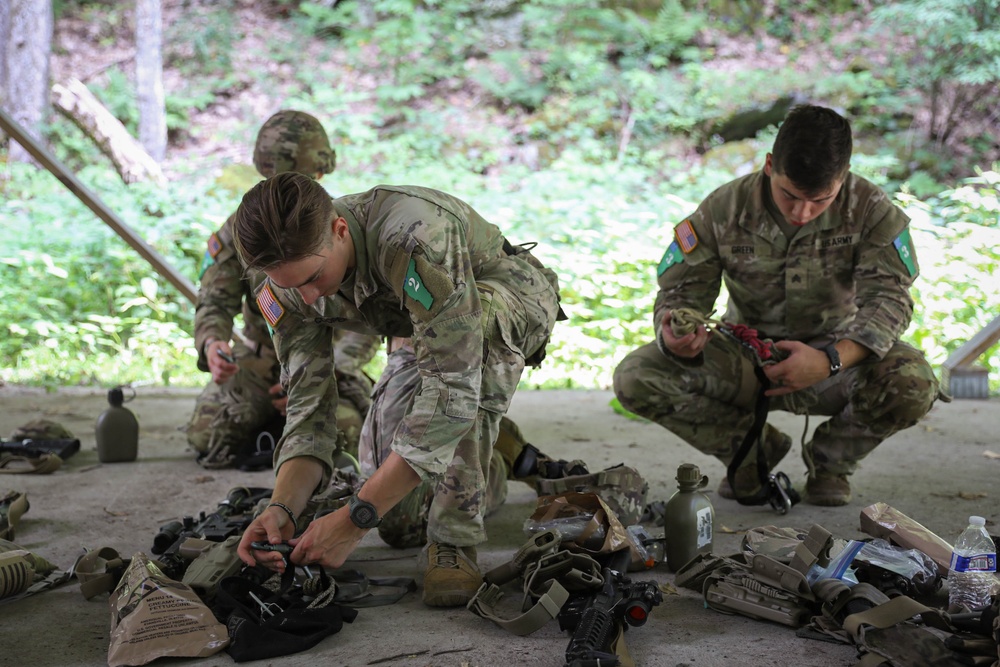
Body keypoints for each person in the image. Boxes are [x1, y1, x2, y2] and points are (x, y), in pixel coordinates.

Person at [230, 174, 563, 607]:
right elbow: (307, 411)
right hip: (422, 327)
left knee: (464, 371)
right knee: (399, 520)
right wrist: (281, 509)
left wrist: (353, 520)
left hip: (505, 298)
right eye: (293, 288)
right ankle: (500, 454)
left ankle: (455, 540)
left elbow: (453, 384)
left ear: (340, 231)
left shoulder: (415, 237)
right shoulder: (281, 284)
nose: (309, 299)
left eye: (314, 277)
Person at [613, 104, 942, 507]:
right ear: (770, 165)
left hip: (837, 361)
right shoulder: (724, 208)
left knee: (914, 382)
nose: (802, 212)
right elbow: (681, 292)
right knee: (636, 376)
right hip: (746, 359)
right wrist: (677, 332)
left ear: (844, 177)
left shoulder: (870, 209)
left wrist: (830, 361)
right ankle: (752, 452)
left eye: (821, 200)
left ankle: (830, 463)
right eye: (789, 195)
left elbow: (890, 299)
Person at [187, 110, 379, 469]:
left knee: (350, 436)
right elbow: (215, 299)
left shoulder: (339, 226)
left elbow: (371, 318)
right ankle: (277, 431)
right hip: (262, 363)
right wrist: (213, 344)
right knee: (207, 434)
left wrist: (329, 370)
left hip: (327, 362)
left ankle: (287, 434)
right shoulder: (242, 230)